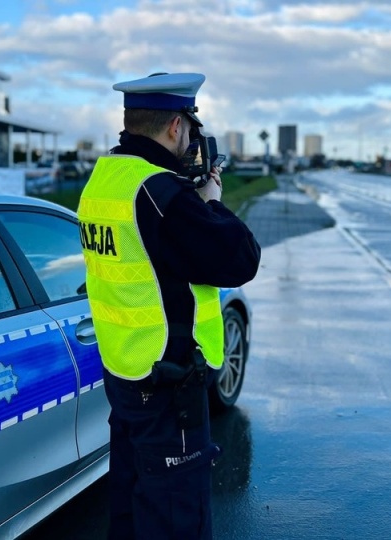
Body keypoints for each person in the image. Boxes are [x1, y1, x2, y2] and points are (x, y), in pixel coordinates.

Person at [77, 72, 261, 540]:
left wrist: (190, 201)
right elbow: (240, 258)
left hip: (125, 373)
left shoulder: (105, 180)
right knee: (177, 519)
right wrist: (212, 203)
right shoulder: (161, 194)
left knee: (131, 507)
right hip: (168, 390)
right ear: (177, 125)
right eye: (190, 131)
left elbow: (152, 258)